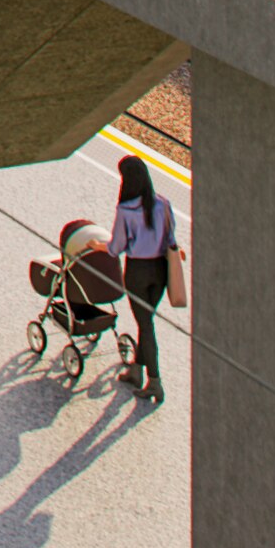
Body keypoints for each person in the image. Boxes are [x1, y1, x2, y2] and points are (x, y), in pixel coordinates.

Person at [108, 153, 175, 402]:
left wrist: (99, 244)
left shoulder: (126, 210)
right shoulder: (163, 204)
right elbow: (171, 237)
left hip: (137, 271)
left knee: (146, 325)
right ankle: (136, 371)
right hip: (160, 271)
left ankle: (155, 382)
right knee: (145, 321)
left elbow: (116, 246)